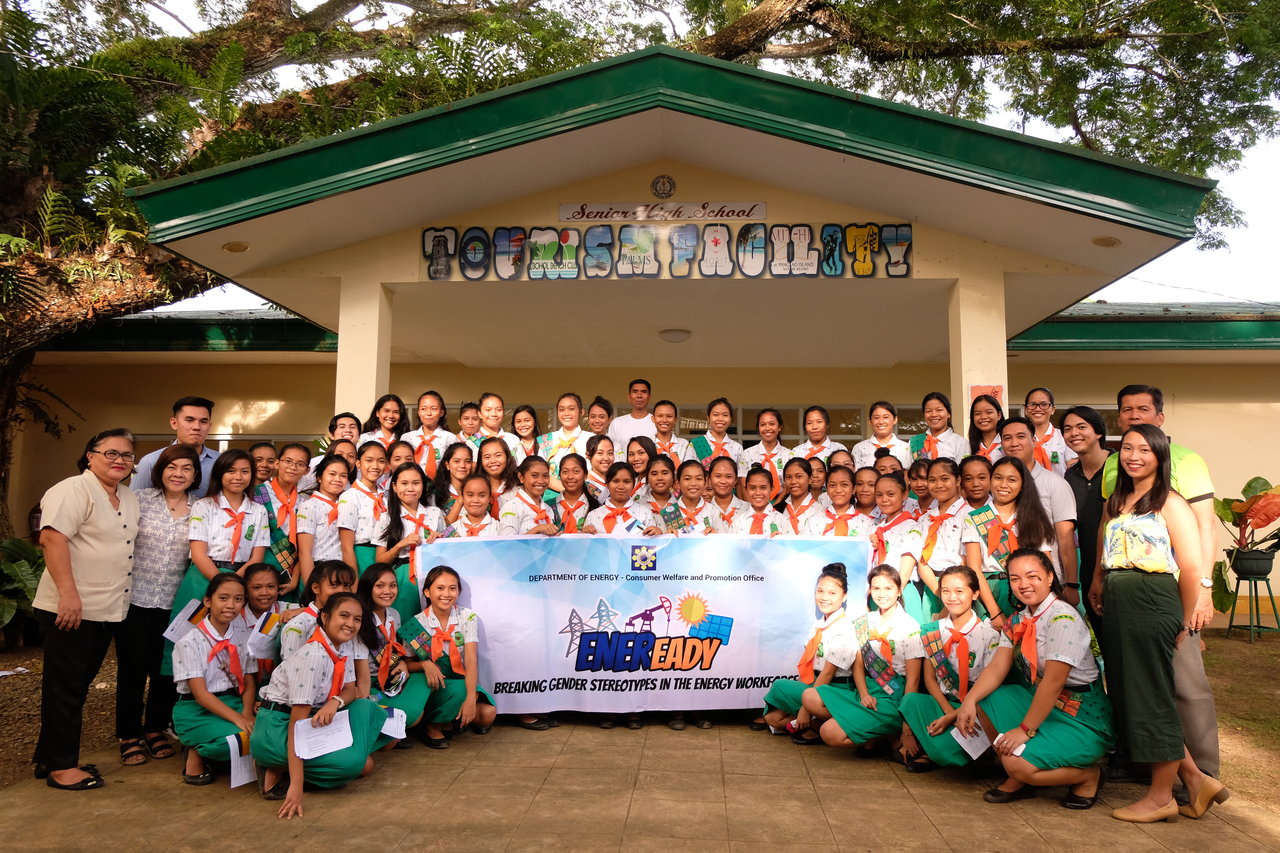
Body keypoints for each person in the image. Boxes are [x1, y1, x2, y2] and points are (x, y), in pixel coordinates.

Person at [1091, 424, 1226, 822]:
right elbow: (1104, 546)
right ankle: (1197, 780)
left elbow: (1190, 567)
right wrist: (1099, 580)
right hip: (1119, 598)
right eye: (1127, 449)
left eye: (1144, 450)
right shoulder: (1117, 500)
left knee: (1152, 696)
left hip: (1152, 599)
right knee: (1133, 694)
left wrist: (1183, 621)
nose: (1134, 456)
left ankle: (1162, 796)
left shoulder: (1170, 502)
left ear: (1160, 456)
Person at [958, 550, 1111, 811]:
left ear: (1050, 577)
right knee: (984, 699)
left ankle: (1089, 775)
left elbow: (1053, 682)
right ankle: (1019, 777)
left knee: (1018, 764)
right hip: (1044, 704)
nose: (1023, 585)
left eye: (1033, 576)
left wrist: (1025, 729)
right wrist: (968, 701)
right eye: (1015, 578)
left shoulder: (1063, 618)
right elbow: (997, 667)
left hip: (1079, 715)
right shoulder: (1020, 618)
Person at [33, 428, 141, 790]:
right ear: (90, 455)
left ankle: (49, 757)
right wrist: (68, 594)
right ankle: (62, 768)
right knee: (66, 687)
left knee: (76, 686)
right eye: (110, 453)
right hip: (71, 607)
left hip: (106, 607)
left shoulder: (126, 496)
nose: (119, 460)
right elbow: (51, 538)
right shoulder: (72, 490)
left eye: (127, 455)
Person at [251, 592, 384, 818]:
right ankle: (275, 765)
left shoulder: (341, 648)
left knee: (366, 708)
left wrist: (335, 702)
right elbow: (297, 723)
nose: (350, 624)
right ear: (324, 617)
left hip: (313, 719)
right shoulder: (315, 655)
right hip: (279, 727)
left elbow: (351, 689)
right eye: (344, 616)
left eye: (357, 619)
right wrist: (296, 787)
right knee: (356, 764)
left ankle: (288, 766)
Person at [116, 443, 200, 768]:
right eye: (172, 467)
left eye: (186, 469)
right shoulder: (138, 501)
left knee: (166, 671)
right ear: (160, 470)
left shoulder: (201, 508)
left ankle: (154, 729)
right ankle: (128, 734)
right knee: (132, 670)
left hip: (177, 604)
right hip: (135, 600)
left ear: (195, 475)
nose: (178, 474)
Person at [899, 566, 1006, 770]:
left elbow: (989, 684)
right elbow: (930, 680)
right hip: (944, 703)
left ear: (975, 594)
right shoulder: (932, 631)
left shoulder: (989, 634)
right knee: (911, 700)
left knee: (948, 746)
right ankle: (953, 753)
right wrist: (949, 712)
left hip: (977, 708)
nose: (952, 597)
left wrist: (954, 716)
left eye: (959, 591)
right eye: (946, 591)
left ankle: (936, 753)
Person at [806, 565, 922, 750]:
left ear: (899, 591)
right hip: (867, 691)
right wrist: (864, 694)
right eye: (876, 588)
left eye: (888, 588)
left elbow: (914, 680)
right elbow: (858, 664)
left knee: (830, 733)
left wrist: (907, 726)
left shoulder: (910, 626)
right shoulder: (864, 621)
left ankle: (884, 731)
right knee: (810, 696)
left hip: (894, 698)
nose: (881, 594)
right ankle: (874, 731)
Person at [168, 450, 269, 650]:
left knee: (233, 640)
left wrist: (234, 585)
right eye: (231, 471)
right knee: (191, 637)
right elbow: (198, 553)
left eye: (245, 471)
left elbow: (257, 556)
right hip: (204, 578)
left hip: (241, 578)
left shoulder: (259, 511)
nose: (238, 477)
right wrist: (221, 585)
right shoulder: (203, 506)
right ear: (219, 474)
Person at [397, 566, 503, 743]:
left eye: (452, 588)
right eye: (440, 588)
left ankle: (451, 717)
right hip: (432, 684)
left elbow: (470, 660)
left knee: (487, 714)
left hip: (459, 680)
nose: (446, 594)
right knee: (463, 694)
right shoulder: (415, 624)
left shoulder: (467, 617)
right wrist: (424, 664)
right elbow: (406, 665)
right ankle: (433, 725)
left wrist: (470, 698)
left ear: (459, 592)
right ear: (427, 592)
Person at [171, 573, 257, 785]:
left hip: (233, 701)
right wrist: (239, 720)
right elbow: (200, 694)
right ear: (208, 601)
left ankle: (214, 746)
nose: (231, 605)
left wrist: (246, 713)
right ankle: (196, 751)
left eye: (238, 599)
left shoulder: (242, 633)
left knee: (266, 735)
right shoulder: (189, 642)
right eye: (223, 598)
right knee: (233, 741)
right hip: (197, 709)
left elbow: (248, 679)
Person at [761, 564, 858, 740]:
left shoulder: (844, 628)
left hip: (836, 689)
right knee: (772, 717)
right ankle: (813, 723)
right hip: (815, 686)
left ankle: (816, 723)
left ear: (844, 596)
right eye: (820, 591)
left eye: (832, 593)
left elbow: (828, 673)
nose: (824, 597)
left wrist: (805, 708)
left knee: (803, 702)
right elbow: (808, 667)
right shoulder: (818, 625)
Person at [961, 457, 1056, 627]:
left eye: (1012, 480)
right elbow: (974, 567)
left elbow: (1045, 561)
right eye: (998, 478)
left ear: (1022, 486)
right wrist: (994, 611)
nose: (1003, 485)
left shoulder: (1033, 518)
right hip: (989, 592)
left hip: (1027, 589)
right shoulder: (973, 519)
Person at [997, 417, 1080, 605]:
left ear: (1034, 440)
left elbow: (1066, 538)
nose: (1014, 443)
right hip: (1008, 580)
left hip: (1047, 581)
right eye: (1007, 438)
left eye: (1021, 436)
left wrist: (1071, 584)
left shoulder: (1055, 484)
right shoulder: (997, 486)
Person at [356, 563, 427, 740]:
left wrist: (402, 662)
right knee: (413, 716)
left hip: (392, 677)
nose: (387, 591)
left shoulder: (394, 614)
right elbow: (361, 672)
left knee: (427, 676)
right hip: (371, 683)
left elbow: (395, 648)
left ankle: (396, 721)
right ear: (368, 587)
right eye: (380, 586)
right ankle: (390, 720)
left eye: (392, 585)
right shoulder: (359, 618)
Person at [1061, 405, 1112, 629]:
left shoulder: (1120, 466)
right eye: (1068, 429)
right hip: (1088, 565)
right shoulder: (1070, 475)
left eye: (1082, 427)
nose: (1074, 433)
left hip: (1118, 567)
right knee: (1100, 634)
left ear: (1098, 431)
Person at [373, 463, 444, 622]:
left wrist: (439, 541)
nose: (410, 488)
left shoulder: (435, 513)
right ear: (395, 487)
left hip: (431, 575)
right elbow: (380, 560)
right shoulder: (386, 518)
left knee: (432, 622)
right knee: (405, 624)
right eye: (404, 483)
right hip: (402, 577)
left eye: (416, 483)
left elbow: (446, 551)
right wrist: (400, 545)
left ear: (423, 486)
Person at [252, 442, 310, 601]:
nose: (293, 467)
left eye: (300, 464)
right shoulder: (255, 495)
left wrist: (295, 577)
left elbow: (307, 546)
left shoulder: (307, 502)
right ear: (277, 463)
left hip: (291, 576)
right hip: (259, 573)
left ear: (307, 470)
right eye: (288, 461)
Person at [913, 459, 968, 619]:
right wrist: (940, 592)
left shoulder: (968, 515)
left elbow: (968, 561)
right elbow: (922, 561)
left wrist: (950, 596)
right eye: (932, 480)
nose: (938, 485)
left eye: (945, 479)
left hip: (960, 589)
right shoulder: (925, 519)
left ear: (957, 480)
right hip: (933, 589)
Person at [869, 473, 925, 621]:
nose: (884, 499)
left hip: (902, 592)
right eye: (879, 495)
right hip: (879, 594)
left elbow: (906, 568)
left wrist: (894, 592)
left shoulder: (911, 527)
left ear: (905, 494)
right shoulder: (877, 528)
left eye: (891, 494)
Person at [132, 396, 219, 486]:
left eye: (203, 421)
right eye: (189, 420)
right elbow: (134, 499)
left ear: (210, 426)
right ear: (174, 423)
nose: (196, 427)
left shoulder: (222, 462)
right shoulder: (150, 462)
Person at [296, 456, 351, 589]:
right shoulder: (309, 506)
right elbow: (304, 552)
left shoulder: (347, 505)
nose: (337, 479)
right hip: (319, 574)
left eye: (343, 476)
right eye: (332, 474)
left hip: (342, 576)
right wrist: (311, 587)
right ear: (319, 477)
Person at [338, 441, 389, 573]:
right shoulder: (350, 496)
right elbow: (346, 546)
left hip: (386, 556)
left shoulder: (387, 496)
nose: (375, 466)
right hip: (361, 556)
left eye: (381, 461)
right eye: (369, 460)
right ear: (358, 463)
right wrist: (352, 579)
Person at [583, 463, 661, 535]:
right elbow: (587, 547)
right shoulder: (593, 516)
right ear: (607, 484)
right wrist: (585, 535)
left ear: (633, 484)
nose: (621, 486)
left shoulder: (645, 513)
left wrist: (656, 534)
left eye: (626, 482)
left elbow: (651, 546)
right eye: (615, 481)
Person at [539, 392, 591, 493]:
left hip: (584, 497)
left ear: (582, 412)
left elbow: (595, 472)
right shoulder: (546, 440)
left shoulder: (591, 439)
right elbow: (540, 472)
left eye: (571, 409)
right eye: (561, 410)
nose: (566, 413)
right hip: (551, 501)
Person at [803, 464, 873, 538]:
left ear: (854, 489)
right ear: (827, 489)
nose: (838, 490)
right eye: (832, 485)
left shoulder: (867, 523)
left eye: (844, 485)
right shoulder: (813, 521)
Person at [498, 457, 561, 535]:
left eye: (545, 476)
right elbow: (507, 542)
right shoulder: (512, 507)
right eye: (534, 475)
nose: (541, 481)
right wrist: (537, 529)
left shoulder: (548, 509)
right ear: (521, 477)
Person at [299, 413, 360, 492]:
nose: (348, 430)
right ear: (331, 435)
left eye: (352, 427)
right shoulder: (313, 464)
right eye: (342, 426)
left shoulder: (362, 468)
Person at [741, 408, 791, 504]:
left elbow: (788, 486)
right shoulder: (747, 454)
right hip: (753, 504)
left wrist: (776, 506)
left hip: (781, 504)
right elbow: (743, 485)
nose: (767, 428)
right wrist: (753, 507)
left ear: (779, 427)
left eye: (772, 424)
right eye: (763, 425)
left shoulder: (789, 455)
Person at [1023, 387, 1076, 476]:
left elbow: (1074, 469)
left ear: (1053, 409)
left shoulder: (1064, 436)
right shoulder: (1019, 438)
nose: (1038, 409)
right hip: (1027, 489)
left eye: (1044, 404)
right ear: (1026, 410)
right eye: (1032, 404)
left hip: (1059, 488)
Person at [729, 466, 791, 535]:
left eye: (763, 488)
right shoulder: (738, 522)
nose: (758, 493)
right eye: (752, 488)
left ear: (771, 489)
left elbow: (789, 545)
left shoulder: (782, 521)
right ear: (746, 489)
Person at [406, 391, 453, 480]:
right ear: (419, 412)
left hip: (440, 487)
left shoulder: (449, 438)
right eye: (423, 409)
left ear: (441, 412)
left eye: (434, 409)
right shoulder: (407, 438)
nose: (428, 413)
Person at [688, 398, 744, 473]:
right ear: (708, 418)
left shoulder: (737, 448)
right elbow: (688, 472)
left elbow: (740, 476)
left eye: (725, 415)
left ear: (730, 419)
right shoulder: (696, 444)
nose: (720, 419)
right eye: (715, 414)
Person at [607, 379, 657, 460]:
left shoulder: (657, 422)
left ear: (649, 397)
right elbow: (609, 451)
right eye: (635, 391)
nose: (639, 395)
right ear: (629, 396)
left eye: (644, 392)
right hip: (622, 470)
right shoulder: (617, 423)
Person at [852, 401, 912, 469]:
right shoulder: (859, 448)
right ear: (869, 421)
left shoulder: (906, 448)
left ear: (895, 419)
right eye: (876, 417)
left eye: (886, 417)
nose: (881, 422)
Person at [911, 392, 968, 462]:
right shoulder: (914, 441)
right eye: (928, 411)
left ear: (948, 414)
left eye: (939, 410)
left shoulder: (960, 443)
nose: (934, 415)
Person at [551, 454, 598, 534]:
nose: (570, 476)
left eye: (576, 471)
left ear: (585, 475)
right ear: (559, 475)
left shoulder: (596, 508)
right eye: (565, 472)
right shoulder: (548, 506)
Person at [432, 441, 474, 523]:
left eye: (467, 461)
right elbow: (441, 527)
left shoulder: (478, 488)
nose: (462, 466)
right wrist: (460, 501)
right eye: (456, 461)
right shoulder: (436, 493)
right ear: (447, 465)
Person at [777, 458, 821, 534]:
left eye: (799, 476)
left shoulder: (820, 511)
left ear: (810, 479)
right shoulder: (778, 510)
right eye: (789, 477)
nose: (793, 481)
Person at [706, 455, 750, 532]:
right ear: (709, 479)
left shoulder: (748, 509)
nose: (723, 481)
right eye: (718, 476)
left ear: (736, 480)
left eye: (728, 476)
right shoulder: (704, 511)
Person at [672, 460, 716, 536]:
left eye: (699, 479)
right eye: (687, 479)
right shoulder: (668, 513)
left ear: (705, 483)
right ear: (678, 484)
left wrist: (716, 536)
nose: (693, 483)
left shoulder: (714, 512)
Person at [651, 400, 691, 468]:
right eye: (660, 416)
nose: (664, 420)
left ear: (675, 420)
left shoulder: (684, 444)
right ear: (653, 419)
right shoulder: (646, 444)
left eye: (669, 416)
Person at [968, 395, 1004, 461]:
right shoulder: (968, 446)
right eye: (977, 413)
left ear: (999, 415)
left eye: (989, 412)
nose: (983, 417)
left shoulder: (1007, 442)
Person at [585, 434, 614, 500]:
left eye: (610, 453)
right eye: (600, 453)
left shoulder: (617, 480)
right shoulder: (585, 485)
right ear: (588, 455)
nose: (606, 458)